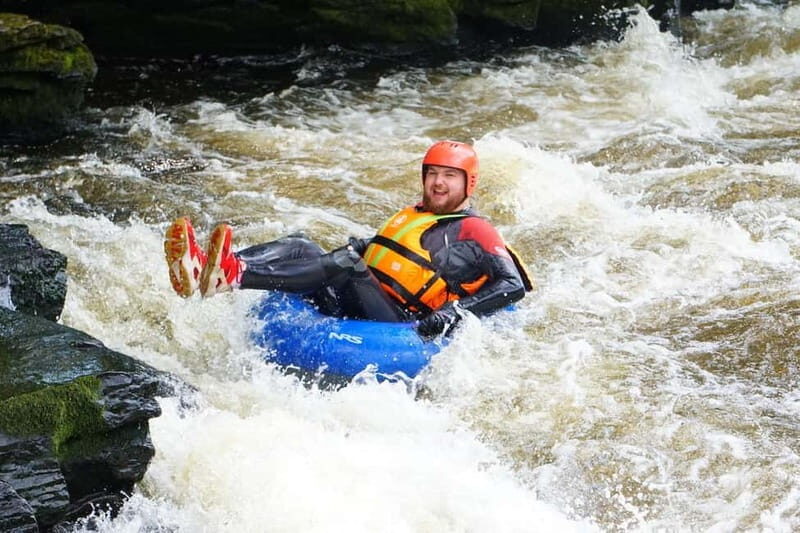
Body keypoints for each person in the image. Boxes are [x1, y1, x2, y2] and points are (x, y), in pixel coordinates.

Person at [164, 140, 534, 338]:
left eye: (449, 176)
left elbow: (513, 284)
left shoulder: (475, 229)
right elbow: (391, 253)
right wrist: (366, 247)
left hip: (399, 322)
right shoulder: (417, 213)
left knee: (343, 263)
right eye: (432, 173)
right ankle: (213, 266)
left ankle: (235, 277)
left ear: (468, 183)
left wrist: (453, 314)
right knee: (301, 244)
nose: (438, 183)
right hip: (365, 301)